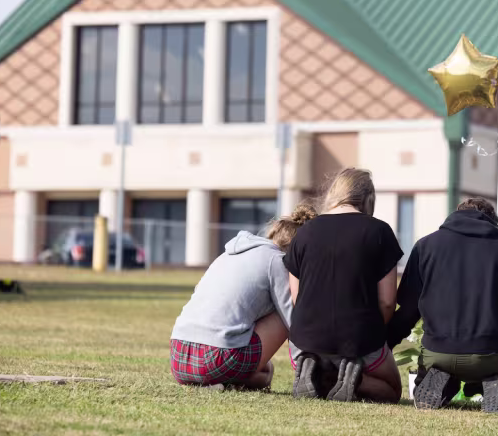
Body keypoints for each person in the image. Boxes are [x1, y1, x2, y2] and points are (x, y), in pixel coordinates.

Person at [387, 197, 498, 412]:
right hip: (491, 354)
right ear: (493, 221)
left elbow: (409, 312)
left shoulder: (425, 246)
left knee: (438, 373)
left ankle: (441, 385)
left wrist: (385, 346)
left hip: (438, 352)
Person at [285, 168, 403, 403]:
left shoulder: (305, 232)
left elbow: (296, 297)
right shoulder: (379, 231)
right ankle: (352, 377)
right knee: (392, 390)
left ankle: (317, 370)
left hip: (305, 342)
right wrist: (370, 334)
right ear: (368, 198)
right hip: (359, 340)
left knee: (323, 365)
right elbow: (387, 302)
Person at [169, 204, 316, 390]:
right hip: (217, 357)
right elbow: (295, 323)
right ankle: (303, 371)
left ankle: (215, 383)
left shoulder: (227, 255)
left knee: (264, 375)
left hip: (178, 357)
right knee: (290, 311)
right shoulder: (277, 261)